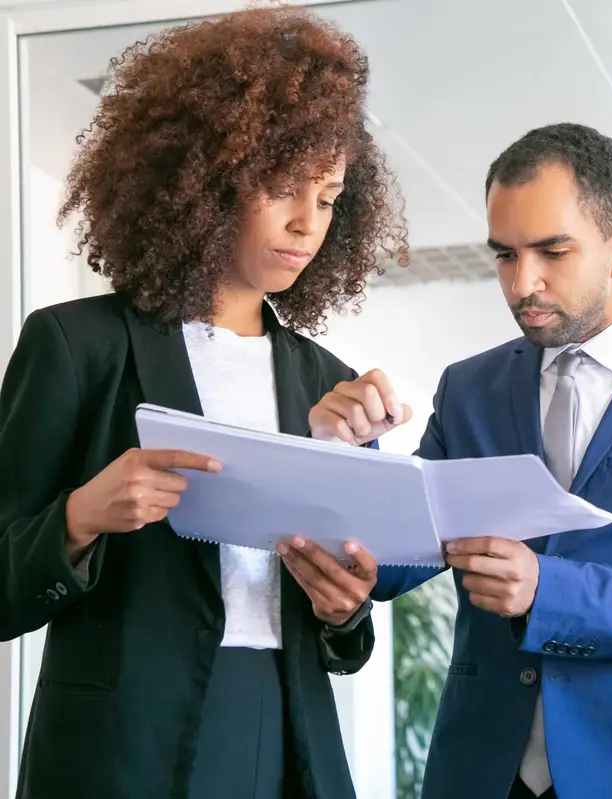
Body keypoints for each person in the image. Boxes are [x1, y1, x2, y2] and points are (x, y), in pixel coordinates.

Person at [0, 9, 409, 798]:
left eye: (328, 197)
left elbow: (342, 629)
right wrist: (81, 515)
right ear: (208, 177)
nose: (307, 224)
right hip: (123, 743)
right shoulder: (78, 345)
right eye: (282, 189)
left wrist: (343, 608)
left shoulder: (330, 380)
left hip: (289, 733)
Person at [309, 122, 612, 798]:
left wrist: (549, 590)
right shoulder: (468, 388)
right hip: (480, 775)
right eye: (504, 254)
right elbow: (389, 564)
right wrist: (348, 454)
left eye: (551, 251)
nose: (521, 282)